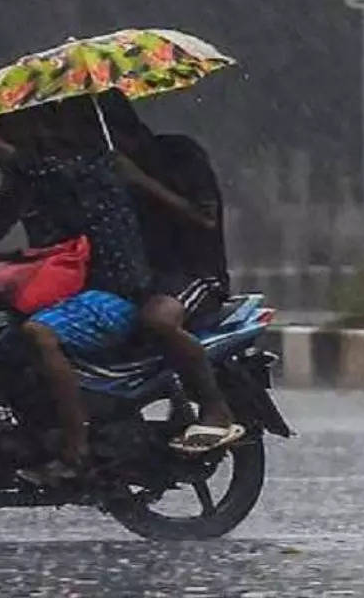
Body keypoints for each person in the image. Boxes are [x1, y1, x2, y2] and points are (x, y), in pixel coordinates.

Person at [0, 96, 214, 480]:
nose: (3, 133)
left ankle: (75, 449)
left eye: (8, 125)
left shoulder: (91, 164)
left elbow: (31, 168)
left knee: (40, 333)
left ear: (36, 126)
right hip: (65, 292)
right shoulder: (28, 180)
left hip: (114, 291)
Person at [95, 88, 242, 453]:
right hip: (140, 277)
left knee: (159, 321)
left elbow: (204, 218)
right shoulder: (101, 170)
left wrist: (140, 180)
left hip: (193, 274)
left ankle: (215, 408)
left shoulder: (180, 154)